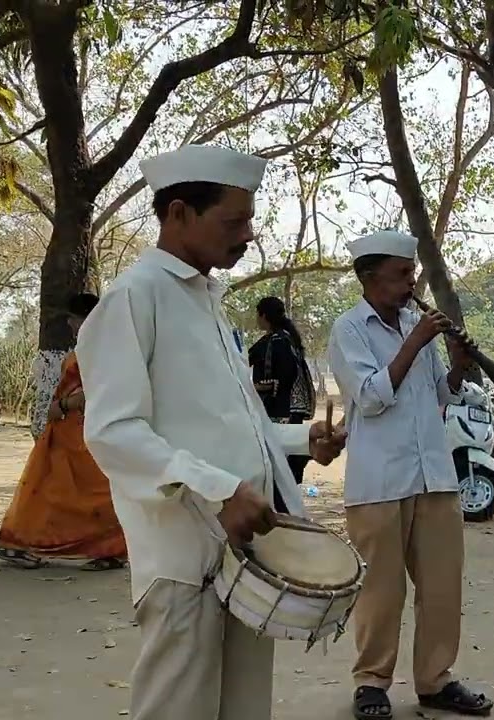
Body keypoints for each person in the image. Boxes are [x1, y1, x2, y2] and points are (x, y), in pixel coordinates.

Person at [76, 144, 348, 720]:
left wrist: (300, 441)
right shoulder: (134, 297)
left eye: (249, 220)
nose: (248, 235)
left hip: (246, 548)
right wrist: (220, 490)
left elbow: (230, 418)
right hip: (184, 557)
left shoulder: (208, 303)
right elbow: (113, 431)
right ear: (178, 214)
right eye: (234, 221)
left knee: (244, 707)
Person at [328, 230, 493, 720]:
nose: (410, 284)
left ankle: (436, 680)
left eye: (412, 273)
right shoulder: (349, 329)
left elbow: (439, 394)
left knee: (442, 587)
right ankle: (371, 682)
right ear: (368, 277)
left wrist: (457, 366)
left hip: (434, 476)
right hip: (379, 481)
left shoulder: (413, 325)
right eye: (402, 275)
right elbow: (371, 397)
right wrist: (417, 341)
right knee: (381, 592)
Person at [0, 292, 127, 571]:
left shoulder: (100, 352)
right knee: (53, 491)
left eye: (74, 318)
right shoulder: (93, 350)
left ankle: (109, 550)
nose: (70, 324)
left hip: (85, 434)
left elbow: (95, 393)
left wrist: (64, 405)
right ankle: (22, 543)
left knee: (92, 494)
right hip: (68, 434)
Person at [250, 295, 317, 501]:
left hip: (280, 412)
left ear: (263, 316)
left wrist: (257, 388)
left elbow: (247, 360)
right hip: (293, 412)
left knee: (278, 467)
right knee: (290, 469)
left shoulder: (274, 342)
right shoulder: (289, 340)